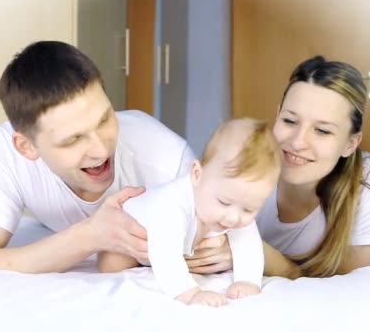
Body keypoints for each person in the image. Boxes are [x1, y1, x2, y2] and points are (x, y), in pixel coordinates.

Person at [0, 41, 227, 273]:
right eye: (73, 139)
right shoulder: (5, 152)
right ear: (27, 146)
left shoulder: (165, 158)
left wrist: (224, 252)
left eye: (105, 119)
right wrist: (89, 236)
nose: (101, 150)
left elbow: (225, 238)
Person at [98, 118, 281, 307]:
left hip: (162, 245)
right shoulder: (172, 205)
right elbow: (165, 254)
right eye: (224, 202)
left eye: (249, 209)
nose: (234, 217)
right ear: (196, 174)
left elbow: (248, 244)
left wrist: (248, 280)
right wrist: (190, 293)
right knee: (111, 267)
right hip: (128, 230)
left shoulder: (233, 204)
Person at [254, 56, 370, 278]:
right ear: (277, 116)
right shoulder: (248, 167)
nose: (297, 142)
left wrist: (256, 254)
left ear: (351, 143)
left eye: (322, 131)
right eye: (289, 121)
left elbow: (341, 288)